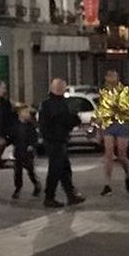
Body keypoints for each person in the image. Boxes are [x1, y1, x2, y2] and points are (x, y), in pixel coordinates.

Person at [93, 70, 129, 196]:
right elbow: (100, 111)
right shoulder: (103, 93)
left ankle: (128, 175)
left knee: (121, 154)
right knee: (108, 153)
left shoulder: (124, 91)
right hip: (109, 124)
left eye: (113, 76)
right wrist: (99, 129)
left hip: (121, 124)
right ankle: (107, 184)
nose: (110, 79)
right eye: (108, 76)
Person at [39, 78, 86, 208]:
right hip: (56, 142)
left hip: (54, 141)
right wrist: (74, 119)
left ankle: (70, 195)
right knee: (56, 169)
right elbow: (67, 120)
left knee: (64, 169)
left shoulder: (46, 104)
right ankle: (50, 197)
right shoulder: (59, 105)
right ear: (60, 89)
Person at [11, 103, 41, 200]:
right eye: (24, 112)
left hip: (28, 152)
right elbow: (12, 137)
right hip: (19, 150)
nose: (26, 114)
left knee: (30, 170)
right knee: (17, 171)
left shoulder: (30, 125)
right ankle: (18, 188)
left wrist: (32, 145)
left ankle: (36, 185)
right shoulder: (15, 125)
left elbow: (34, 137)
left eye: (27, 112)